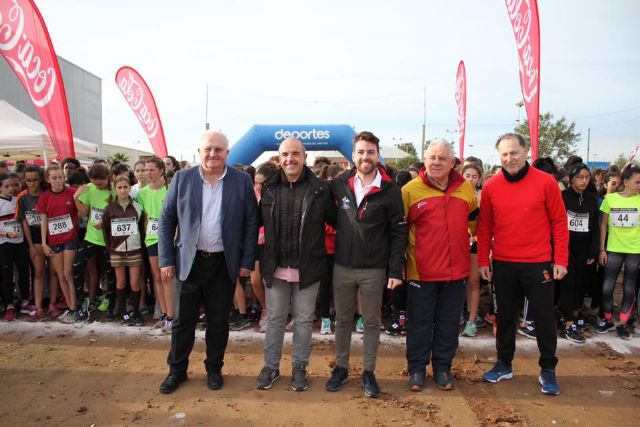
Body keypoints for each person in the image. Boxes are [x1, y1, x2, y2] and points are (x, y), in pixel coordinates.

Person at [158, 131, 258, 394]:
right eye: (208, 149)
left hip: (223, 264)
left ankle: (214, 369)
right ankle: (176, 371)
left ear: (227, 153)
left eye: (218, 149)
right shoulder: (182, 179)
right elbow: (167, 220)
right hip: (187, 263)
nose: (213, 154)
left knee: (218, 322)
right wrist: (166, 258)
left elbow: (251, 222)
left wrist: (247, 260)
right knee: (182, 322)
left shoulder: (242, 181)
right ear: (199, 152)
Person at [478, 133, 568, 396]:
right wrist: (483, 259)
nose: (509, 158)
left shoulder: (546, 182)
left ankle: (548, 368)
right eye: (504, 154)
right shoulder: (491, 186)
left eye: (514, 152)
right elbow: (484, 227)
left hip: (538, 264)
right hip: (503, 264)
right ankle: (504, 364)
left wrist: (561, 259)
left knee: (544, 318)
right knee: (504, 318)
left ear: (525, 151)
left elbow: (559, 223)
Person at [326, 131, 406, 399]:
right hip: (342, 266)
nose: (365, 157)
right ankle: (341, 368)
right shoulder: (340, 183)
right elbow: (332, 215)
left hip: (374, 269)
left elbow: (398, 231)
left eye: (370, 152)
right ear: (353, 155)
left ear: (377, 155)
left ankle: (369, 372)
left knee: (371, 322)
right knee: (342, 320)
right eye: (360, 152)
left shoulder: (390, 189)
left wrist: (395, 270)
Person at [255, 137, 335, 392]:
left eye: (295, 154)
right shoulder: (268, 187)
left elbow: (337, 220)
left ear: (304, 157)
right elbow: (256, 221)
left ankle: (299, 367)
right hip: (275, 266)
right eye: (285, 154)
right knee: (275, 319)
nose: (290, 159)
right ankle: (271, 366)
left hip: (308, 267)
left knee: (303, 320)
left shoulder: (320, 189)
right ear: (280, 158)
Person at [402, 139, 478, 391]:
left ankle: (443, 368)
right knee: (419, 324)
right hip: (421, 272)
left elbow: (475, 223)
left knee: (448, 323)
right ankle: (416, 369)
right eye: (432, 157)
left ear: (452, 162)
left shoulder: (465, 188)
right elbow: (400, 231)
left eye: (442, 158)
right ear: (424, 160)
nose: (436, 162)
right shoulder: (410, 190)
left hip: (456, 272)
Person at [557, 164, 599, 343]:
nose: (584, 181)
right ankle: (567, 322)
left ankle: (573, 314)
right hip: (565, 247)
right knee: (568, 283)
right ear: (571, 179)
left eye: (587, 177)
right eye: (580, 177)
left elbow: (595, 227)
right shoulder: (563, 197)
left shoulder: (591, 199)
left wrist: (593, 251)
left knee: (580, 283)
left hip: (584, 248)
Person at [598, 165, 640, 339]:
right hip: (613, 249)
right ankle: (608, 319)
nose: (639, 185)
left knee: (629, 288)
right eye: (637, 182)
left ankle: (623, 323)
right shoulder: (611, 199)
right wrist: (602, 249)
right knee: (607, 287)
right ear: (626, 181)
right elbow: (603, 225)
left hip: (635, 250)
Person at [37, 165, 80, 322]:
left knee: (68, 273)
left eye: (60, 177)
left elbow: (82, 212)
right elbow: (43, 221)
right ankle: (70, 307)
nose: (57, 181)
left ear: (64, 178)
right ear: (48, 179)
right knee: (60, 275)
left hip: (70, 238)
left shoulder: (72, 192)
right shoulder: (45, 197)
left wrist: (78, 197)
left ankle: (74, 307)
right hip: (54, 240)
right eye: (54, 178)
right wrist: (44, 243)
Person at [73, 163, 115, 320]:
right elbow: (84, 213)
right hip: (91, 238)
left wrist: (105, 222)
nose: (98, 185)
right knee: (77, 265)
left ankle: (111, 303)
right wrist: (75, 198)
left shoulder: (114, 189)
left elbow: (121, 211)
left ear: (107, 178)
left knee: (110, 272)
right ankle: (81, 303)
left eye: (101, 183)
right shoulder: (88, 188)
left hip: (108, 240)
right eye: (95, 183)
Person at [102, 175, 145, 326]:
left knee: (135, 283)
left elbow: (142, 229)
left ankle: (136, 312)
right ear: (115, 188)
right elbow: (105, 231)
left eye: (125, 187)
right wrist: (110, 249)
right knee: (120, 282)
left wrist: (141, 248)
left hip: (134, 249)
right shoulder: (109, 209)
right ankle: (124, 313)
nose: (122, 190)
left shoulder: (137, 207)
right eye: (119, 187)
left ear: (129, 188)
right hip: (117, 251)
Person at [137, 157, 172, 331]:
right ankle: (164, 313)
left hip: (168, 239)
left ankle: (172, 316)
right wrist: (146, 237)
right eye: (146, 170)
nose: (148, 173)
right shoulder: (142, 193)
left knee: (167, 277)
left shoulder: (169, 190)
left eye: (151, 170)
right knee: (157, 277)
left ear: (161, 171)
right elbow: (145, 218)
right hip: (151, 238)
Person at [16, 166, 48, 320]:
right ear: (24, 180)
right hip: (34, 238)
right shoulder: (22, 197)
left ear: (41, 179)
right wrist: (30, 246)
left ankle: (54, 301)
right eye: (28, 180)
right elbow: (24, 223)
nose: (32, 183)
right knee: (39, 271)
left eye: (35, 179)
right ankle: (38, 307)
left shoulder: (47, 193)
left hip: (51, 236)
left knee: (55, 273)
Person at [0, 173, 29, 321]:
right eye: (7, 186)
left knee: (24, 271)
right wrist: (6, 233)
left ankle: (25, 301)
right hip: (4, 244)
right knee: (6, 275)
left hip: (20, 243)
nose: (11, 188)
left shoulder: (17, 200)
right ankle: (9, 305)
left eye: (12, 185)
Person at [461, 162, 484, 337]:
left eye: (474, 176)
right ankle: (456, 316)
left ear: (479, 179)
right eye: (467, 175)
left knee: (473, 282)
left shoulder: (483, 196)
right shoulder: (456, 193)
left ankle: (472, 320)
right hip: (457, 243)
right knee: (455, 283)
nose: (470, 179)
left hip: (476, 244)